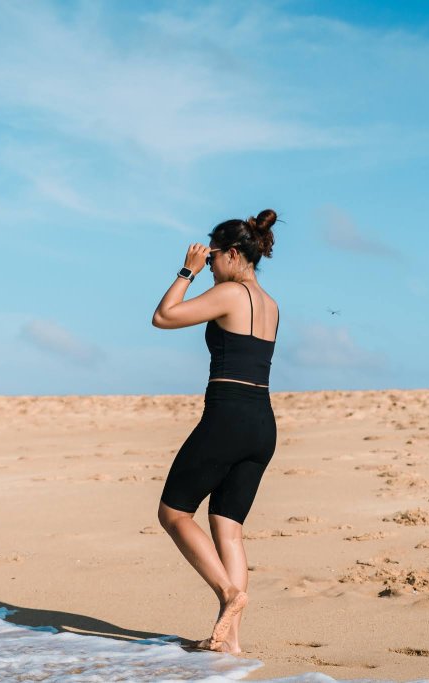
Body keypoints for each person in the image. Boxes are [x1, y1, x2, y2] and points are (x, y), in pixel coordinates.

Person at [150, 209, 280, 655]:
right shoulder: (270, 304)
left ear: (231, 254)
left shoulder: (229, 293)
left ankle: (228, 592)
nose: (210, 264)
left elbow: (164, 316)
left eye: (214, 256)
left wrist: (187, 270)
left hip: (227, 417)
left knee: (174, 514)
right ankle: (231, 643)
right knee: (228, 529)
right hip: (263, 423)